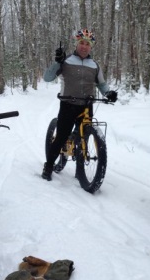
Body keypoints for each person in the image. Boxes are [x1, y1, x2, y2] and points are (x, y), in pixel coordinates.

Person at [41, 28, 117, 181]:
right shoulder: (66, 60)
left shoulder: (94, 65)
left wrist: (108, 93)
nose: (84, 46)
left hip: (87, 105)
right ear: (76, 44)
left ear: (91, 46)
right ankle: (48, 166)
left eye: (88, 44)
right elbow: (47, 78)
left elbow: (101, 84)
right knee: (61, 137)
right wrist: (58, 62)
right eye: (81, 43)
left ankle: (80, 170)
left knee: (83, 137)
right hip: (68, 104)